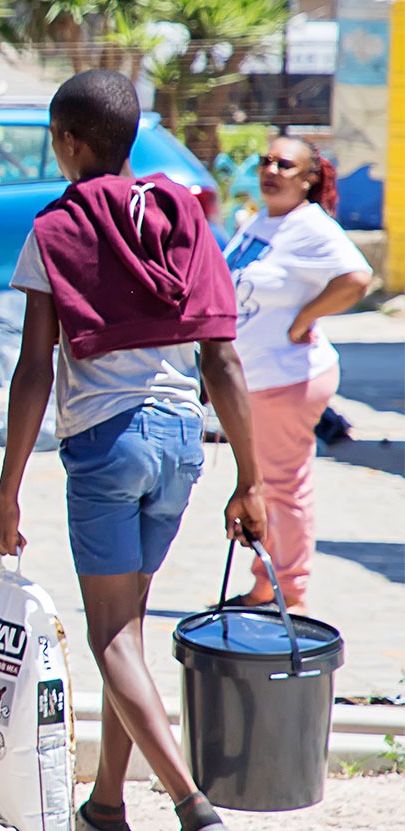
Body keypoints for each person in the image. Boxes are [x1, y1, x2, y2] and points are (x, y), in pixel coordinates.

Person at [0, 70, 267, 831]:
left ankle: (192, 809)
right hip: (182, 441)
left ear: (71, 143)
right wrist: (248, 480)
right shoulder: (182, 212)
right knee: (132, 630)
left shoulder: (55, 227)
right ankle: (105, 807)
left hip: (107, 447)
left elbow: (33, 369)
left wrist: (7, 488)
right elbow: (223, 356)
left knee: (111, 635)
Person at [220, 138, 373, 613]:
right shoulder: (262, 221)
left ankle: (289, 591)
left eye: (285, 165)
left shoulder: (310, 225)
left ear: (309, 177)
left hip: (285, 379)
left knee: (281, 486)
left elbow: (357, 277)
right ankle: (269, 583)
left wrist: (303, 319)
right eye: (266, 161)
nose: (271, 170)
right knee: (265, 484)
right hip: (258, 379)